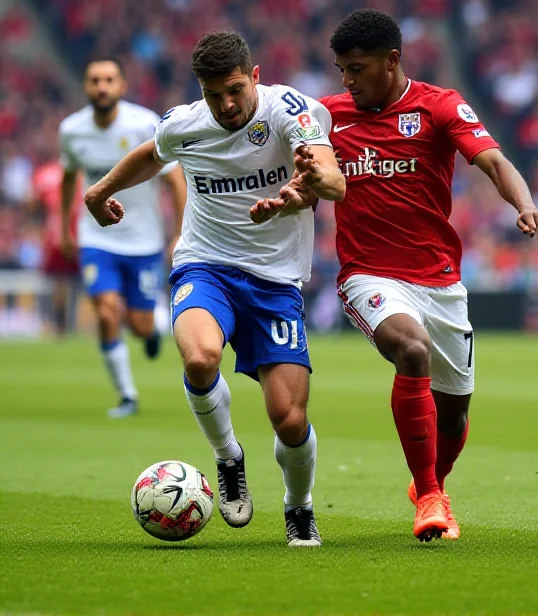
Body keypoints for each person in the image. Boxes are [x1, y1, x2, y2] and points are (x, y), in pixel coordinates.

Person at [253, 9, 538, 542]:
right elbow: (306, 178)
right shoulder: (326, 116)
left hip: (440, 278)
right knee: (411, 350)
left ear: (392, 61)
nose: (346, 80)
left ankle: (430, 485)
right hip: (368, 275)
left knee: (455, 417)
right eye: (341, 70)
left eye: (357, 68)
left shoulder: (439, 105)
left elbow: (493, 161)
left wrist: (525, 205)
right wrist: (285, 200)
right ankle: (432, 496)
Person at [84, 31, 345, 547]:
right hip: (206, 265)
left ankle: (299, 506)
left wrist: (299, 192)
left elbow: (334, 181)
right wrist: (100, 191)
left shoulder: (292, 111)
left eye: (234, 91)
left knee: (289, 419)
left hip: (275, 279)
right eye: (212, 94)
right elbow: (151, 154)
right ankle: (228, 456)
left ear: (255, 76)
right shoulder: (186, 123)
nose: (225, 105)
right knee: (201, 358)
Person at [59, 57, 186, 418]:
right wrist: (64, 227)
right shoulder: (71, 130)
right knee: (106, 311)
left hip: (144, 241)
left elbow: (174, 180)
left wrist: (179, 231)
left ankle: (149, 334)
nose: (102, 86)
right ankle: (127, 395)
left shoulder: (145, 123)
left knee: (141, 322)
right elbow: (68, 178)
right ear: (86, 86)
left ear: (122, 86)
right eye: (94, 80)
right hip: (96, 237)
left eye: (109, 80)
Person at [30, 152, 82, 333]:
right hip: (64, 235)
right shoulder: (51, 174)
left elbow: (31, 204)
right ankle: (62, 324)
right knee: (62, 282)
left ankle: (67, 324)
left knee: (66, 282)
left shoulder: (47, 174)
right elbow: (32, 204)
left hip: (69, 235)